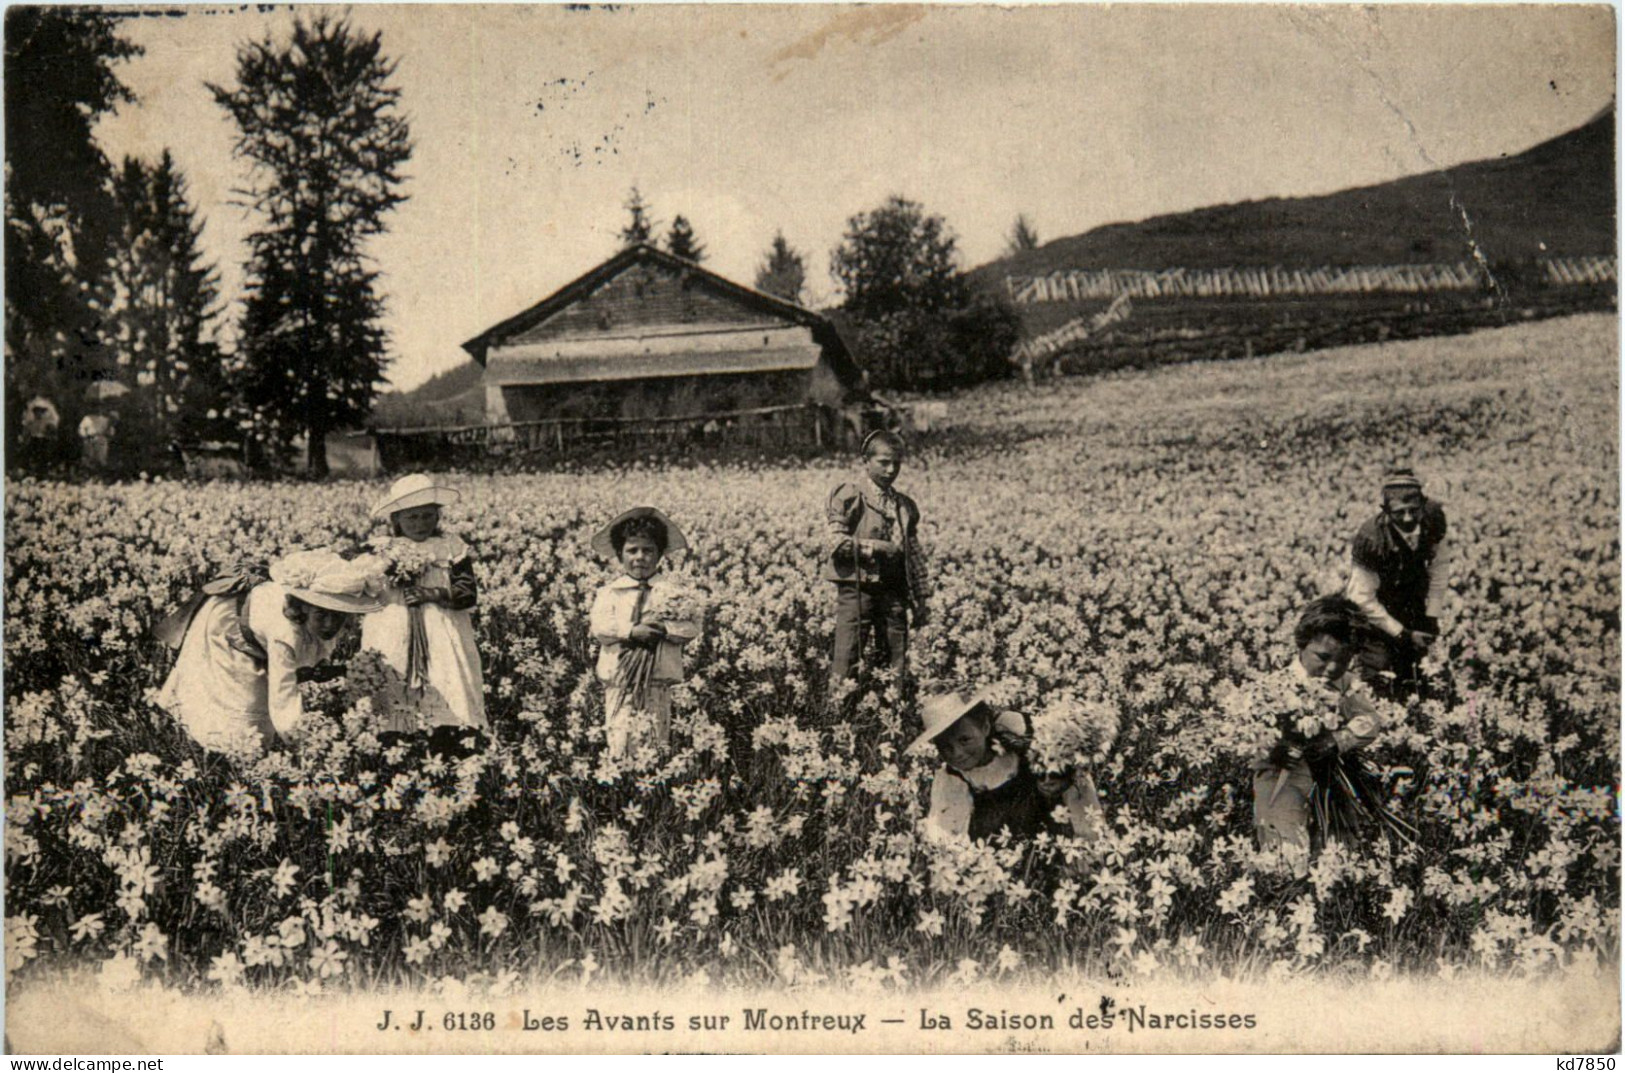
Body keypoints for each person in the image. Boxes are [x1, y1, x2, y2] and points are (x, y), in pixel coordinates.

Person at [154, 549, 387, 756]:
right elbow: (283, 695)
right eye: (321, 616)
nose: (330, 625)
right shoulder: (285, 634)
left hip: (256, 622)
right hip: (224, 622)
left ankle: (238, 750)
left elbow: (309, 655)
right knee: (238, 693)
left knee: (255, 700)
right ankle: (216, 749)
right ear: (302, 610)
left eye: (338, 616)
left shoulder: (320, 614)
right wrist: (304, 745)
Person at [1249, 595, 1392, 872]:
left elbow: (1371, 720)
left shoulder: (1346, 684)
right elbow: (1250, 737)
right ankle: (1284, 884)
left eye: (1343, 660)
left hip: (1333, 780)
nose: (1331, 669)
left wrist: (1339, 739)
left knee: (1341, 850)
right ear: (1302, 645)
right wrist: (1274, 749)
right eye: (1323, 658)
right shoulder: (1276, 687)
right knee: (1286, 850)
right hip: (1283, 777)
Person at [360, 474, 487, 754]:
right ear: (396, 520)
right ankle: (396, 743)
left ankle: (450, 741)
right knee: (394, 675)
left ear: (437, 516)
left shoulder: (451, 546)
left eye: (427, 516)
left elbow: (468, 592)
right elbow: (364, 586)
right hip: (393, 627)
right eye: (412, 518)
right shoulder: (381, 548)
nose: (421, 524)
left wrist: (434, 595)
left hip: (442, 627)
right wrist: (384, 573)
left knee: (447, 676)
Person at [589, 507, 703, 761]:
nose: (640, 557)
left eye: (648, 550)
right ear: (619, 555)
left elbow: (692, 627)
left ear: (660, 554)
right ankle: (621, 780)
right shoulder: (609, 592)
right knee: (619, 738)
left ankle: (652, 781)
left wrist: (666, 629)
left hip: (657, 681)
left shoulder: (673, 592)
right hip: (619, 680)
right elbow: (600, 626)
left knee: (655, 738)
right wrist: (631, 631)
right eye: (632, 550)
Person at [916, 691, 1101, 844]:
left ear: (986, 727)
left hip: (1053, 842)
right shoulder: (951, 779)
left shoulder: (1018, 740)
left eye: (964, 740)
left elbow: (1075, 774)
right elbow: (947, 835)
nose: (956, 753)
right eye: (945, 747)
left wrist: (1086, 842)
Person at [823, 430, 930, 688]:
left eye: (896, 463)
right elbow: (836, 543)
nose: (891, 469)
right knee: (848, 655)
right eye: (883, 462)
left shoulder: (903, 505)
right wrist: (879, 548)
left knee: (895, 655)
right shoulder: (850, 496)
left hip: (893, 589)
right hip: (858, 587)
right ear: (866, 461)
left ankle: (891, 708)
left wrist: (922, 597)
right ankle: (837, 712)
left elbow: (913, 554)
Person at [1345, 467, 1450, 695]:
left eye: (1414, 510)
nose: (1408, 518)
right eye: (1399, 513)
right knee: (1380, 674)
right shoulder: (1371, 538)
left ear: (1423, 505)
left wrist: (1431, 616)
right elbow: (1361, 598)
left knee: (1421, 672)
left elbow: (1439, 567)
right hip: (1375, 616)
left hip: (1412, 604)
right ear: (1385, 512)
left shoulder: (1433, 519)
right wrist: (1401, 633)